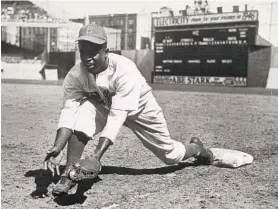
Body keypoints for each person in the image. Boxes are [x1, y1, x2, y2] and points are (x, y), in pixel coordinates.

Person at [43, 23, 213, 196]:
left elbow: (117, 117)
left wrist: (96, 156)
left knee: (170, 155)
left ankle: (196, 148)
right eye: (83, 51)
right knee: (84, 111)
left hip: (142, 111)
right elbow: (69, 110)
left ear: (106, 51)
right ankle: (69, 174)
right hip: (106, 106)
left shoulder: (124, 70)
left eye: (93, 51)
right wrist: (58, 146)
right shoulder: (75, 75)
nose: (87, 57)